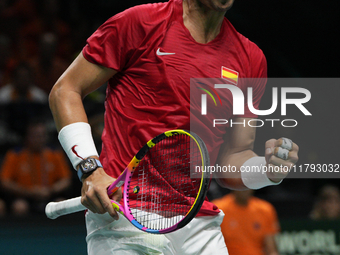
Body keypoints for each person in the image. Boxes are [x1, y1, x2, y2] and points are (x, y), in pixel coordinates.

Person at [48, 0, 299, 254]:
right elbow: (65, 90)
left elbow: (233, 158)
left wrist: (266, 170)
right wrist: (90, 170)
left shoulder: (250, 59)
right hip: (124, 211)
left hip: (197, 222)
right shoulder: (139, 23)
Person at [0, 119, 72, 216]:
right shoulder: (15, 155)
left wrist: (51, 190)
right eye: (34, 136)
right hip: (23, 197)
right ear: (27, 137)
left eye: (41, 136)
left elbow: (66, 180)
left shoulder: (55, 154)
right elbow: (5, 182)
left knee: (62, 204)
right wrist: (29, 191)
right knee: (20, 206)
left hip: (49, 195)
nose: (38, 139)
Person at [212, 190, 280, 255]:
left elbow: (271, 250)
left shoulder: (265, 209)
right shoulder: (218, 209)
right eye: (240, 183)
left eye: (246, 184)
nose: (244, 189)